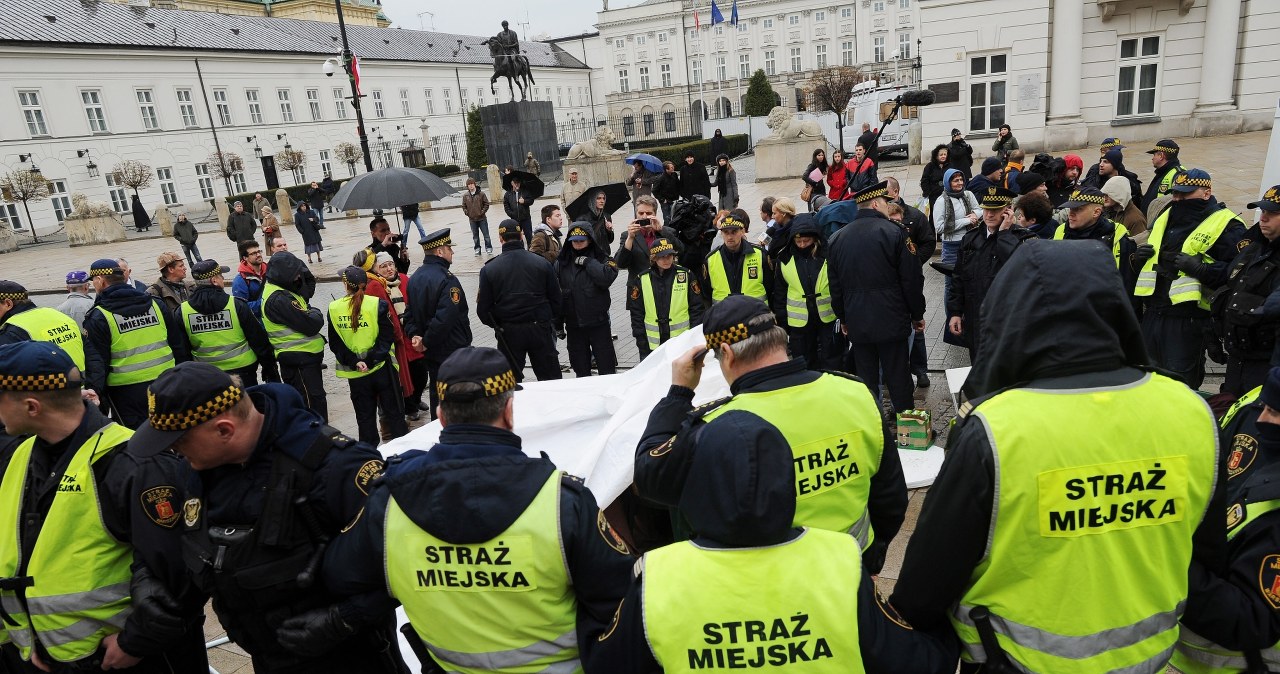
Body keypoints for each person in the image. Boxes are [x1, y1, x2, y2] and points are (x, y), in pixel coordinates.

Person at [892, 241, 1222, 674]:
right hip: (1147, 657)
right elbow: (1209, 555)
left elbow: (930, 574)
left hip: (1013, 659)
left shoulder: (996, 428)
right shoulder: (1193, 411)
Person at [321, 346, 633, 673]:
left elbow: (340, 576)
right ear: (509, 411)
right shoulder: (562, 503)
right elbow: (621, 602)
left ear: (441, 417)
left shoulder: (388, 505)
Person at [599, 410, 959, 673]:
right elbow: (917, 661)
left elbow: (607, 663)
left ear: (696, 486)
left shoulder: (658, 578)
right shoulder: (839, 561)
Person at [126, 362, 407, 674]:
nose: (176, 452)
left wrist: (346, 617)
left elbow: (408, 562)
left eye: (179, 442)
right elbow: (177, 541)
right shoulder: (196, 470)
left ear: (223, 429)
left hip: (351, 658)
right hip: (269, 657)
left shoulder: (336, 468)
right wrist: (145, 579)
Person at [634, 294, 906, 568]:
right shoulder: (856, 393)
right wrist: (872, 558)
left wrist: (679, 393)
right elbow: (890, 499)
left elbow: (648, 476)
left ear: (726, 354)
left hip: (771, 587)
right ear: (780, 338)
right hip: (849, 574)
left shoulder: (714, 425)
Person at [0, 342, 208, 673]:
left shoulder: (132, 464)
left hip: (123, 660)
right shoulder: (20, 455)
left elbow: (179, 574)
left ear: (31, 406)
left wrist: (135, 643)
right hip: (49, 655)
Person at [1173, 366, 1280, 672]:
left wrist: (1167, 560)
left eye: (1275, 413)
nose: (1261, 421)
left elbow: (1253, 621)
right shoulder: (1253, 403)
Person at [1133, 168, 1247, 389]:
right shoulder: (1166, 215)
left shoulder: (1227, 224)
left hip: (1189, 320)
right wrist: (1137, 259)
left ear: (1206, 193)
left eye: (1185, 194)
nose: (1178, 199)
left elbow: (1239, 274)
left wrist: (1202, 270)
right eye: (1175, 194)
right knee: (1147, 377)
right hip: (1155, 312)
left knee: (1180, 382)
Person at [828, 181, 925, 413]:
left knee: (867, 379)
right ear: (875, 203)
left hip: (858, 321)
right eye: (885, 203)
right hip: (892, 318)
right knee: (898, 377)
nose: (887, 207)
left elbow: (835, 286)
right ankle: (908, 431)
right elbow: (911, 279)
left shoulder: (837, 239)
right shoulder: (896, 233)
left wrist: (843, 318)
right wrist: (917, 314)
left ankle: (873, 427)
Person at [83, 259, 187, 428]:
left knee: (137, 442)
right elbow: (178, 345)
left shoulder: (99, 316)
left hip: (126, 393)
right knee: (173, 431)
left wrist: (98, 399)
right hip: (167, 382)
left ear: (100, 280)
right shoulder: (155, 304)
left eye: (93, 281)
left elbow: (97, 364)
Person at [947, 186, 1035, 364]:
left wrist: (1004, 234)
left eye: (995, 210)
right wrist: (955, 312)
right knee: (978, 366)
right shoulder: (970, 239)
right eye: (986, 209)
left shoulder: (1022, 239)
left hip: (1006, 320)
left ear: (1008, 210)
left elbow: (1018, 268)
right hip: (975, 317)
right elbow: (958, 277)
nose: (989, 215)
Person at [328, 266, 408, 446]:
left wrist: (356, 362)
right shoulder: (377, 304)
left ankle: (368, 457)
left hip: (356, 374)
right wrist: (371, 359)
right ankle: (403, 454)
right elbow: (387, 337)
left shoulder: (334, 308)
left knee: (365, 420)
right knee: (395, 415)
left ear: (345, 285)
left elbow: (335, 343)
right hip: (381, 369)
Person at [1213, 185, 1280, 397]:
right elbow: (1229, 289)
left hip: (1265, 366)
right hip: (1237, 360)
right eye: (1263, 212)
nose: (1264, 218)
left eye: (1273, 213)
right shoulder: (1254, 249)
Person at [477, 220, 563, 382]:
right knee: (550, 381)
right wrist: (545, 319)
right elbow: (557, 300)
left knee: (509, 385)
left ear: (500, 238)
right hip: (540, 329)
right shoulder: (542, 263)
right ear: (522, 235)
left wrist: (500, 323)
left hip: (509, 332)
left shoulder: (489, 269)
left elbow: (483, 310)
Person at [404, 229, 473, 419]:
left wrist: (415, 336)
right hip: (451, 348)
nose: (453, 252)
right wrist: (425, 340)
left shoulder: (415, 277)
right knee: (457, 395)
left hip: (431, 351)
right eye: (449, 248)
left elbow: (409, 314)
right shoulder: (447, 280)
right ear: (440, 252)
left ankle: (437, 429)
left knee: (437, 393)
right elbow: (445, 319)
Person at [180, 259, 278, 388]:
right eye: (221, 276)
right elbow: (258, 340)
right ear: (214, 281)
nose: (222, 278)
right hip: (243, 371)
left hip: (207, 374)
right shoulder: (236, 305)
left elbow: (182, 349)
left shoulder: (183, 311)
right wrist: (269, 368)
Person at [261, 251, 327, 420]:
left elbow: (306, 291)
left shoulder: (279, 288)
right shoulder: (279, 298)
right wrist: (315, 311)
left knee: (314, 401)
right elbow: (311, 324)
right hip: (298, 359)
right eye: (294, 273)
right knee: (312, 405)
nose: (298, 275)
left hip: (301, 358)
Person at [772, 215, 840, 370]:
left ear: (815, 239)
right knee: (804, 361)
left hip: (828, 317)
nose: (802, 245)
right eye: (798, 241)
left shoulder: (827, 254)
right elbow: (780, 292)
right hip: (799, 322)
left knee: (832, 358)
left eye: (806, 241)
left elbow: (837, 285)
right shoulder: (785, 258)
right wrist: (783, 323)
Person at [888, 177, 936, 388]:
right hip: (890, 284)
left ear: (896, 192)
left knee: (916, 324)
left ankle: (920, 370)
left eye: (887, 195)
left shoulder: (915, 217)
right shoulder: (882, 216)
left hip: (912, 279)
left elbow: (928, 242)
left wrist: (914, 262)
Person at [557, 223, 618, 377]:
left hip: (598, 324)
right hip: (574, 326)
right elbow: (556, 296)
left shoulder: (602, 258)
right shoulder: (561, 263)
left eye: (581, 241)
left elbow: (606, 278)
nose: (577, 244)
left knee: (607, 369)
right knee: (581, 370)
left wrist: (588, 262)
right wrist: (557, 324)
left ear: (590, 240)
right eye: (574, 240)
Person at [627, 237, 703, 358]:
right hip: (652, 343)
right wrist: (640, 339)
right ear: (654, 257)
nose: (667, 259)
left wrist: (693, 335)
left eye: (669, 255)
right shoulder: (642, 278)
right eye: (662, 256)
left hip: (681, 341)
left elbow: (697, 308)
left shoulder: (686, 275)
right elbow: (636, 312)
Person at [375, 253, 427, 422]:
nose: (389, 268)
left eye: (391, 264)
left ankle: (417, 398)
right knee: (405, 375)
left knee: (420, 373)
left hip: (412, 333)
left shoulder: (405, 279)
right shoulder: (379, 286)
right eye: (383, 266)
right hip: (397, 339)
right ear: (376, 269)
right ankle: (410, 405)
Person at [1047, 186, 1137, 277]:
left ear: (1096, 212)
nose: (1071, 214)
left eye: (1078, 209)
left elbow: (1125, 278)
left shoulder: (1115, 235)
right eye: (1070, 208)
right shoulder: (1061, 230)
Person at [0, 280, 86, 374]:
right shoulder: (57, 314)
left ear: (8, 304)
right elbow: (92, 353)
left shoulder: (11, 332)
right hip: (82, 385)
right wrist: (94, 386)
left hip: (49, 387)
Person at [934, 168, 980, 320]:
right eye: (955, 180)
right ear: (948, 182)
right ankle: (952, 317)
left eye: (961, 180)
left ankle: (967, 316)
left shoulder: (968, 194)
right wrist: (966, 221)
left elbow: (979, 210)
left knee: (970, 281)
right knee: (952, 284)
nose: (960, 183)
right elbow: (939, 227)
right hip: (952, 247)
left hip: (970, 243)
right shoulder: (941, 201)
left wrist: (975, 215)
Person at [704, 209, 773, 306]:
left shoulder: (760, 255)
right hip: (725, 316)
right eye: (726, 232)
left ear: (743, 231)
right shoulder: (711, 259)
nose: (729, 237)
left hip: (754, 316)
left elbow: (770, 287)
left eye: (734, 232)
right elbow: (706, 293)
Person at [615, 195, 683, 283]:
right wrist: (630, 238)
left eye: (648, 213)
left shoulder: (667, 232)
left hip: (665, 284)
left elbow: (681, 250)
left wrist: (661, 230)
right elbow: (620, 264)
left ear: (655, 214)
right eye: (641, 213)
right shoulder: (627, 235)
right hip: (639, 286)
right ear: (636, 214)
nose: (644, 217)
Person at [1102, 174, 1149, 238]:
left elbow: (1140, 244)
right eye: (1104, 194)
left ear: (1120, 195)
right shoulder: (1105, 210)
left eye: (1109, 195)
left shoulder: (1136, 220)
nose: (1105, 198)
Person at [1145, 138, 1185, 210]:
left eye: (1154, 155)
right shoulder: (1162, 171)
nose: (1152, 158)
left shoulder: (1179, 175)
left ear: (1161, 156)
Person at [232, 239, 268, 317]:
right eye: (254, 253)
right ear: (245, 258)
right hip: (258, 321)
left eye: (259, 251)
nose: (258, 255)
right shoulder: (240, 280)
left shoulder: (271, 271)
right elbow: (241, 307)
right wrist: (268, 303)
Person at [462, 176, 493, 256]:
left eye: (472, 184)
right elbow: (464, 206)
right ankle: (477, 249)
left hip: (482, 218)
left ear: (475, 184)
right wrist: (467, 213)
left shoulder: (481, 194)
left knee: (486, 235)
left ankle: (488, 248)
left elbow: (486, 204)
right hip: (472, 219)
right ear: (467, 186)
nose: (471, 186)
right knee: (475, 236)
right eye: (469, 184)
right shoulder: (465, 196)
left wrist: (482, 212)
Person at [503, 175, 534, 243]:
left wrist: (524, 201)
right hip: (515, 219)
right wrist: (511, 214)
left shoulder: (525, 191)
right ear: (512, 183)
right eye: (515, 183)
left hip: (525, 218)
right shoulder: (508, 194)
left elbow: (531, 200)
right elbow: (506, 205)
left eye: (518, 183)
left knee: (529, 236)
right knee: (517, 237)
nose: (517, 184)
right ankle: (521, 250)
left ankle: (531, 250)